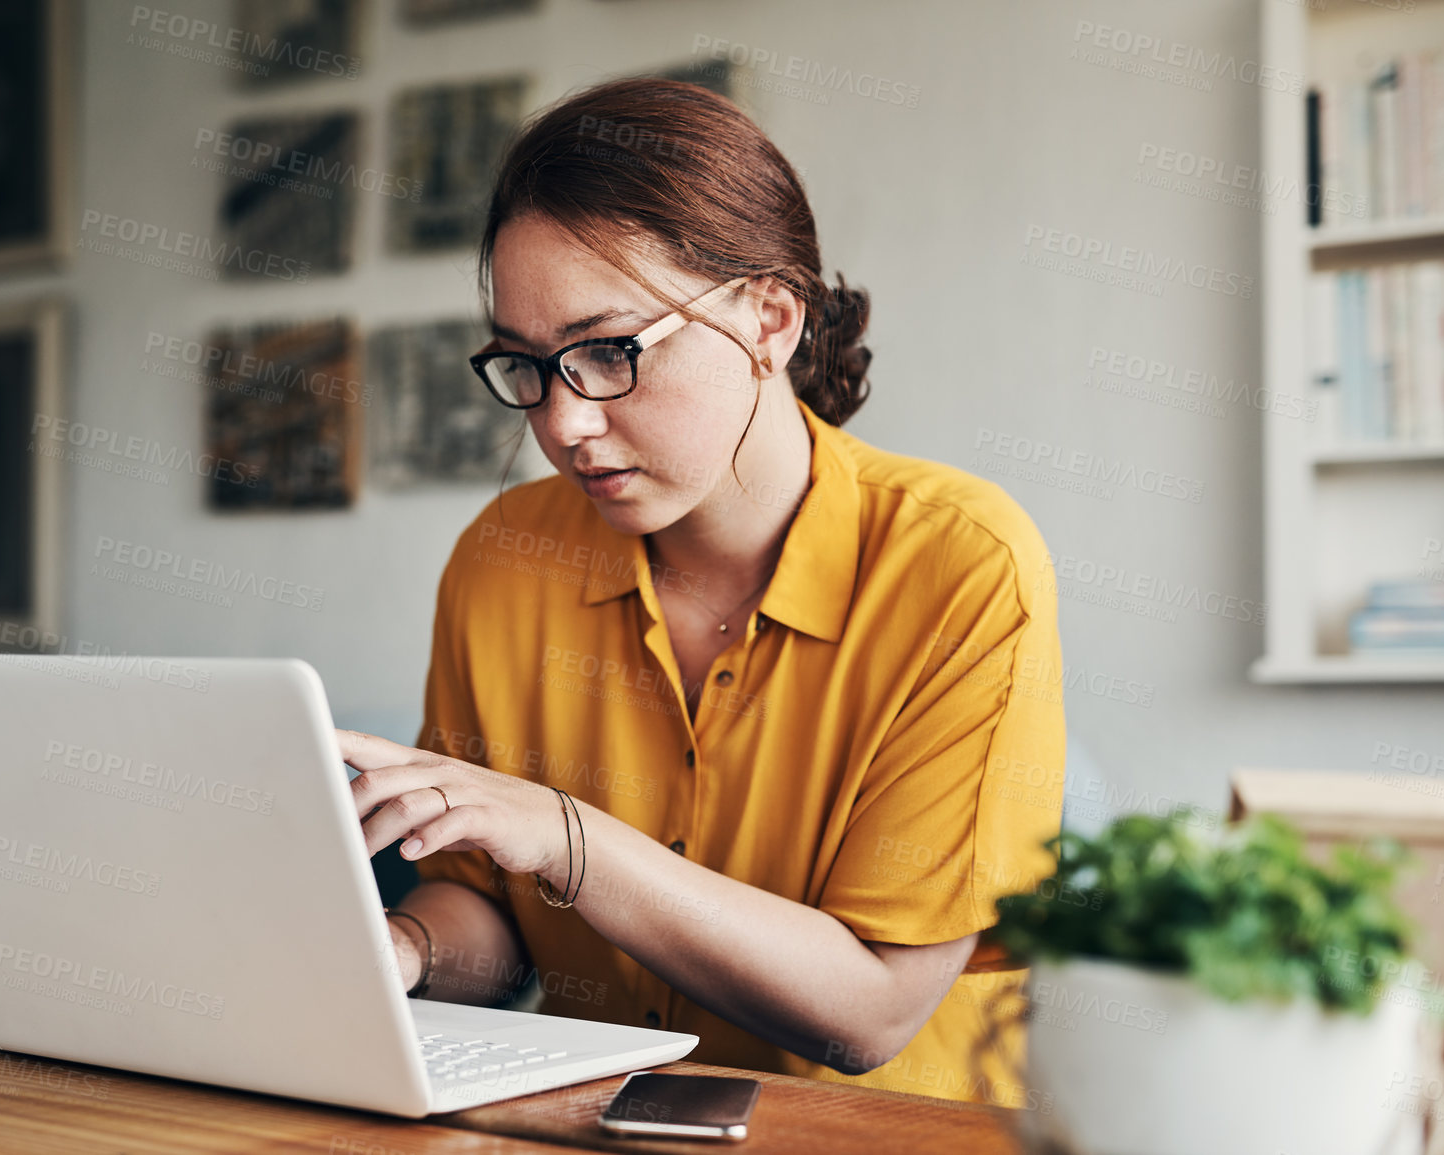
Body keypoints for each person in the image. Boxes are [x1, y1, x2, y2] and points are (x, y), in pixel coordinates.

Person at [338, 76, 1064, 1106]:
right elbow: (488, 917)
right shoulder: (502, 557)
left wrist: (568, 837)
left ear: (769, 319)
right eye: (527, 366)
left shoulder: (961, 563)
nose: (564, 426)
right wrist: (403, 948)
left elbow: (871, 1013)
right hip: (590, 1121)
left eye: (606, 352)